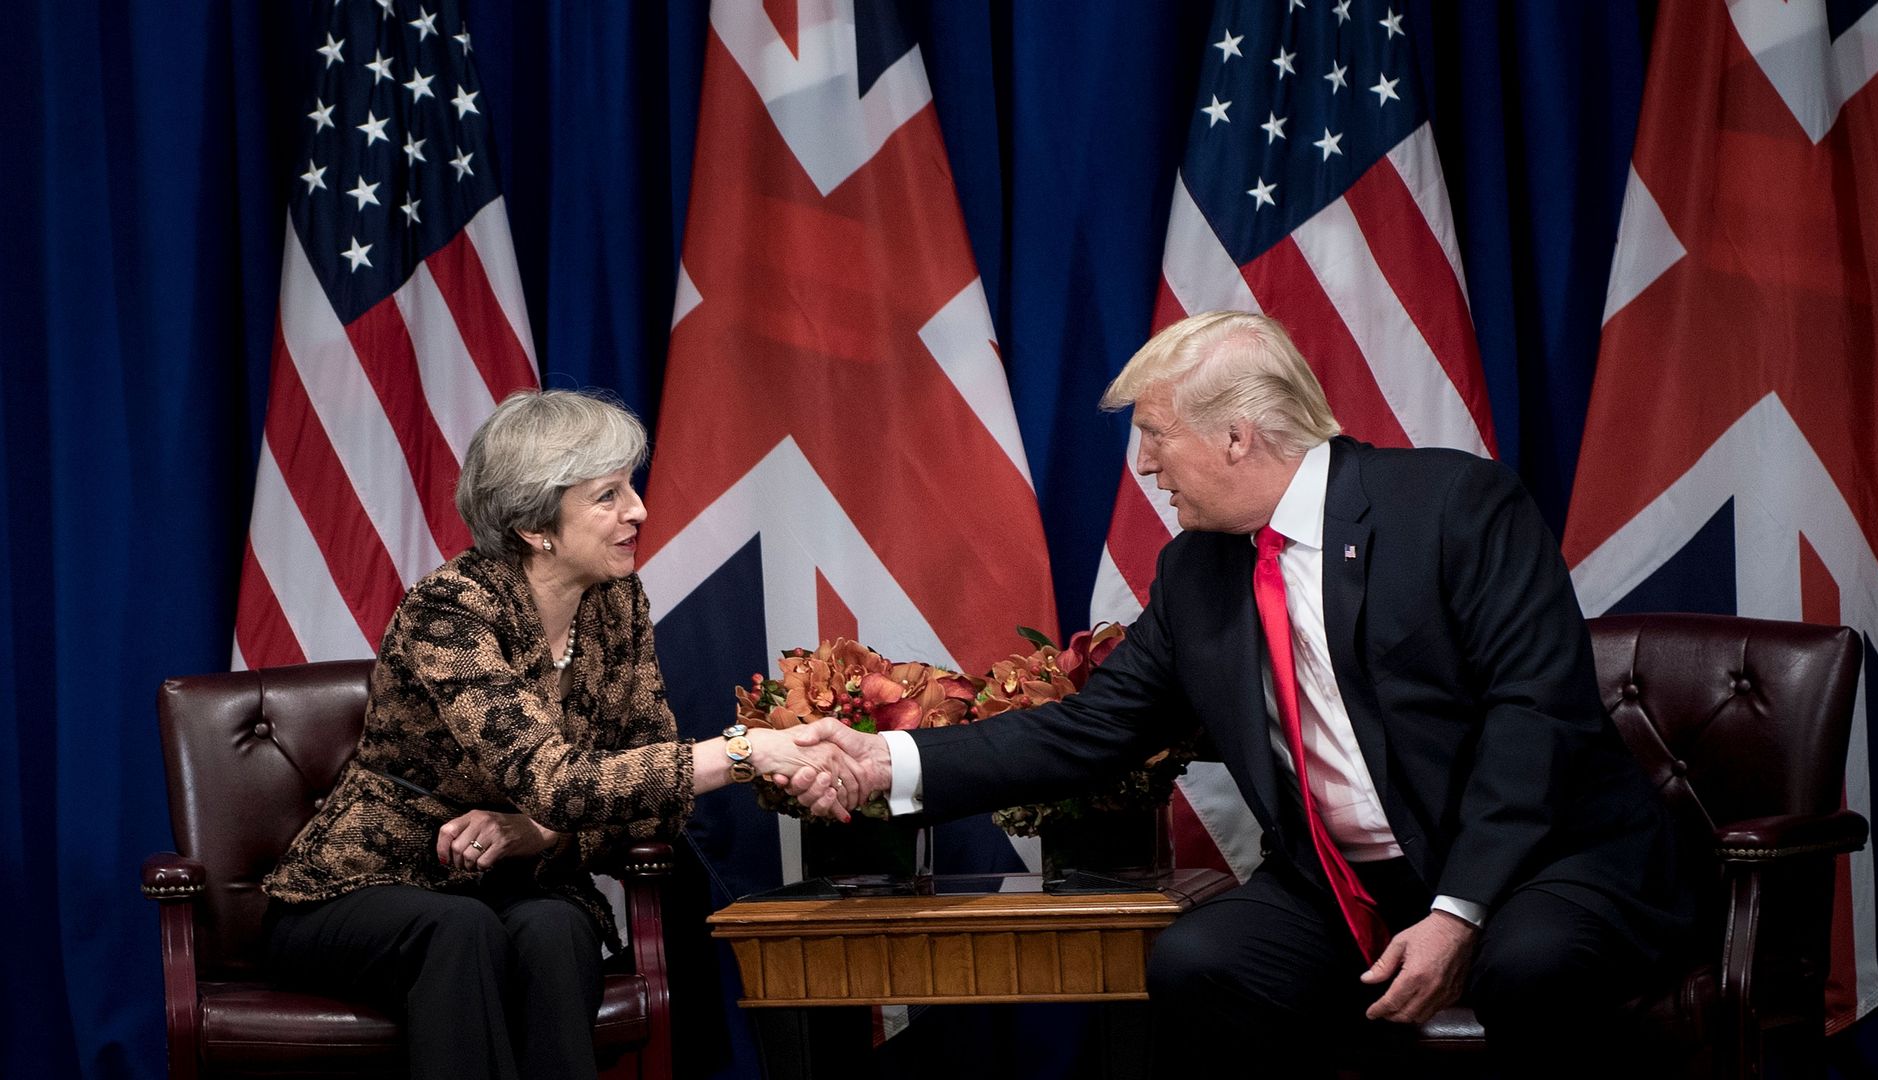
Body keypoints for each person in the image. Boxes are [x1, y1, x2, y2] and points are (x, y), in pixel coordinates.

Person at [785, 311, 1692, 1077]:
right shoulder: (1197, 574)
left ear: (1235, 436)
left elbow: (1533, 716)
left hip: (1542, 862)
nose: (1145, 465)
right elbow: (1090, 730)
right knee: (1200, 962)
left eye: (1155, 434)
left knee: (1530, 963)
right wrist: (884, 761)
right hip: (1352, 888)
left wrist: (1459, 911)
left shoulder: (1456, 507)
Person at [262, 389, 853, 1080]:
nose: (637, 509)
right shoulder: (450, 609)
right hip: (360, 887)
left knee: (557, 928)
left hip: (508, 885)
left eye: (629, 486)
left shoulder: (615, 602)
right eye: (607, 496)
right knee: (460, 931)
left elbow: (659, 802)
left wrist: (542, 835)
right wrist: (745, 751)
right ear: (535, 524)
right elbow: (557, 782)